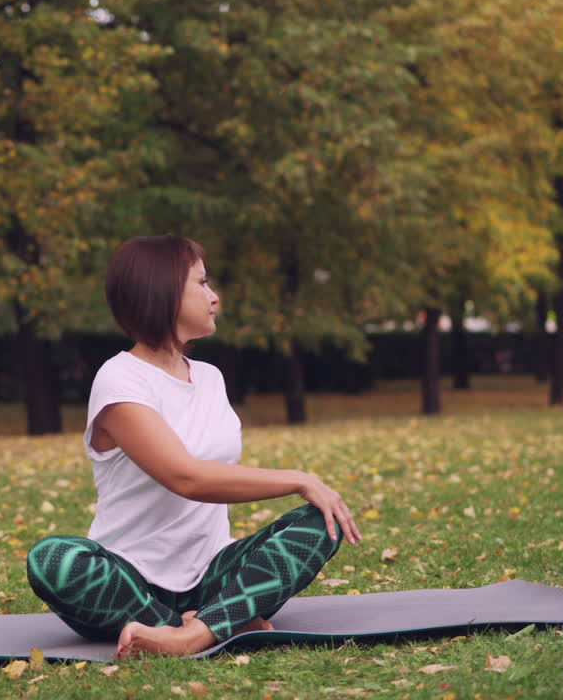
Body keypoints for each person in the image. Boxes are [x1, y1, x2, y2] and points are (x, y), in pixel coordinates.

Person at [25, 235, 362, 658]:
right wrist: (299, 478)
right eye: (201, 284)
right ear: (162, 292)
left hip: (214, 575)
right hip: (129, 581)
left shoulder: (210, 378)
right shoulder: (119, 379)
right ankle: (218, 621)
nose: (214, 296)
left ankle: (193, 632)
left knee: (321, 519)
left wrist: (309, 490)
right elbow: (185, 476)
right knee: (52, 559)